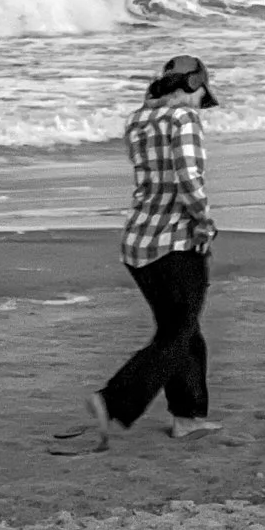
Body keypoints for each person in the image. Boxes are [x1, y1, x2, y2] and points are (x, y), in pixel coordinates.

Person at [88, 53, 223, 447]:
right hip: (175, 243)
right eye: (201, 95)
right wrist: (204, 222)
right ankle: (113, 402)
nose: (200, 103)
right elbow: (188, 179)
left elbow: (150, 178)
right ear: (194, 85)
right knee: (178, 334)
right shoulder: (184, 119)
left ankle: (187, 417)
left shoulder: (138, 120)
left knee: (183, 331)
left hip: (138, 240)